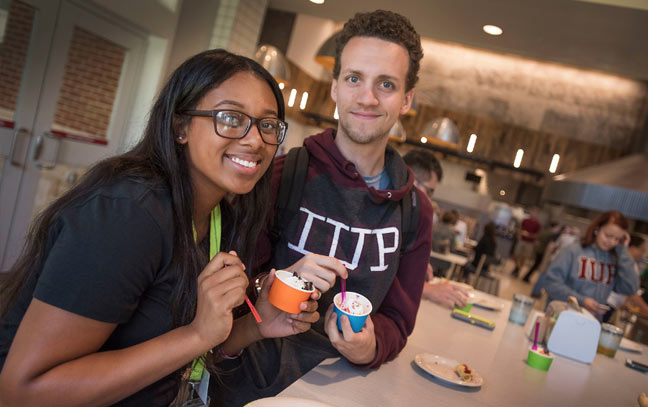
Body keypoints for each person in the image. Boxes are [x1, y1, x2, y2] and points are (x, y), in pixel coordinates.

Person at [0, 50, 317, 406]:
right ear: (180, 126)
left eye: (268, 125)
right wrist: (197, 335)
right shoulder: (127, 216)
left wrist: (254, 326)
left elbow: (173, 349)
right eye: (230, 118)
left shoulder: (218, 216)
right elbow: (24, 392)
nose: (256, 140)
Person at [209, 10, 432, 406]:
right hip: (255, 388)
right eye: (353, 79)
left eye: (386, 84)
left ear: (407, 99)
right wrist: (277, 283)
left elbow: (397, 322)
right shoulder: (282, 174)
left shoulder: (415, 209)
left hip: (346, 390)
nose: (367, 97)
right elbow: (224, 289)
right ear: (334, 87)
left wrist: (369, 347)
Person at [403, 149, 469, 309]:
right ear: (412, 180)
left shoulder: (408, 215)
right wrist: (427, 290)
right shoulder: (383, 211)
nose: (429, 198)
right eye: (430, 191)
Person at [543, 210, 639, 318]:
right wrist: (582, 301)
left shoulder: (614, 260)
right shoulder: (573, 251)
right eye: (608, 235)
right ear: (597, 229)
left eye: (617, 239)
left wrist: (623, 252)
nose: (611, 242)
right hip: (561, 317)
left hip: (591, 323)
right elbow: (550, 283)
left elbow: (630, 288)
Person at [604, 234, 648, 320]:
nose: (642, 254)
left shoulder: (630, 264)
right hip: (607, 303)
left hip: (610, 304)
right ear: (632, 247)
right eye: (641, 250)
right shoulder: (626, 264)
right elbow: (632, 293)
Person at [511, 207, 541, 277]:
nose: (532, 214)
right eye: (531, 212)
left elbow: (537, 235)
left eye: (534, 213)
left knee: (523, 258)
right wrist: (521, 233)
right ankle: (517, 268)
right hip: (522, 240)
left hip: (529, 243)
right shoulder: (525, 220)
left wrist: (529, 235)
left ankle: (517, 270)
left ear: (536, 214)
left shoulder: (537, 224)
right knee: (515, 255)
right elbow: (520, 229)